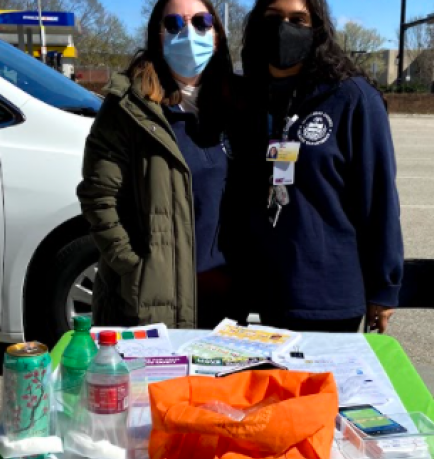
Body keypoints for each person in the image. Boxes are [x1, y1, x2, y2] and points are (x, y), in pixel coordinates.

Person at [223, 0, 404, 333]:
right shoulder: (247, 98)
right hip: (264, 291)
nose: (283, 28)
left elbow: (379, 198)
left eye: (298, 19)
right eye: (273, 18)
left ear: (317, 27)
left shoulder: (352, 98)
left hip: (328, 296)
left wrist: (384, 285)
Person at [77, 0, 235, 329]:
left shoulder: (235, 105)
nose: (190, 33)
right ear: (158, 36)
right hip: (155, 299)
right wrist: (134, 267)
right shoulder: (128, 108)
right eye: (175, 24)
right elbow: (98, 196)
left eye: (202, 22)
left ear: (217, 35)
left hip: (225, 297)